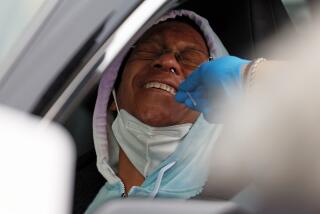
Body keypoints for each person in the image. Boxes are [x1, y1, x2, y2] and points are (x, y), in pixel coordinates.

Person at [86, 10, 229, 213]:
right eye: (149, 49)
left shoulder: (238, 204)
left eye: (190, 58)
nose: (168, 61)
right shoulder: (63, 197)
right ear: (111, 96)